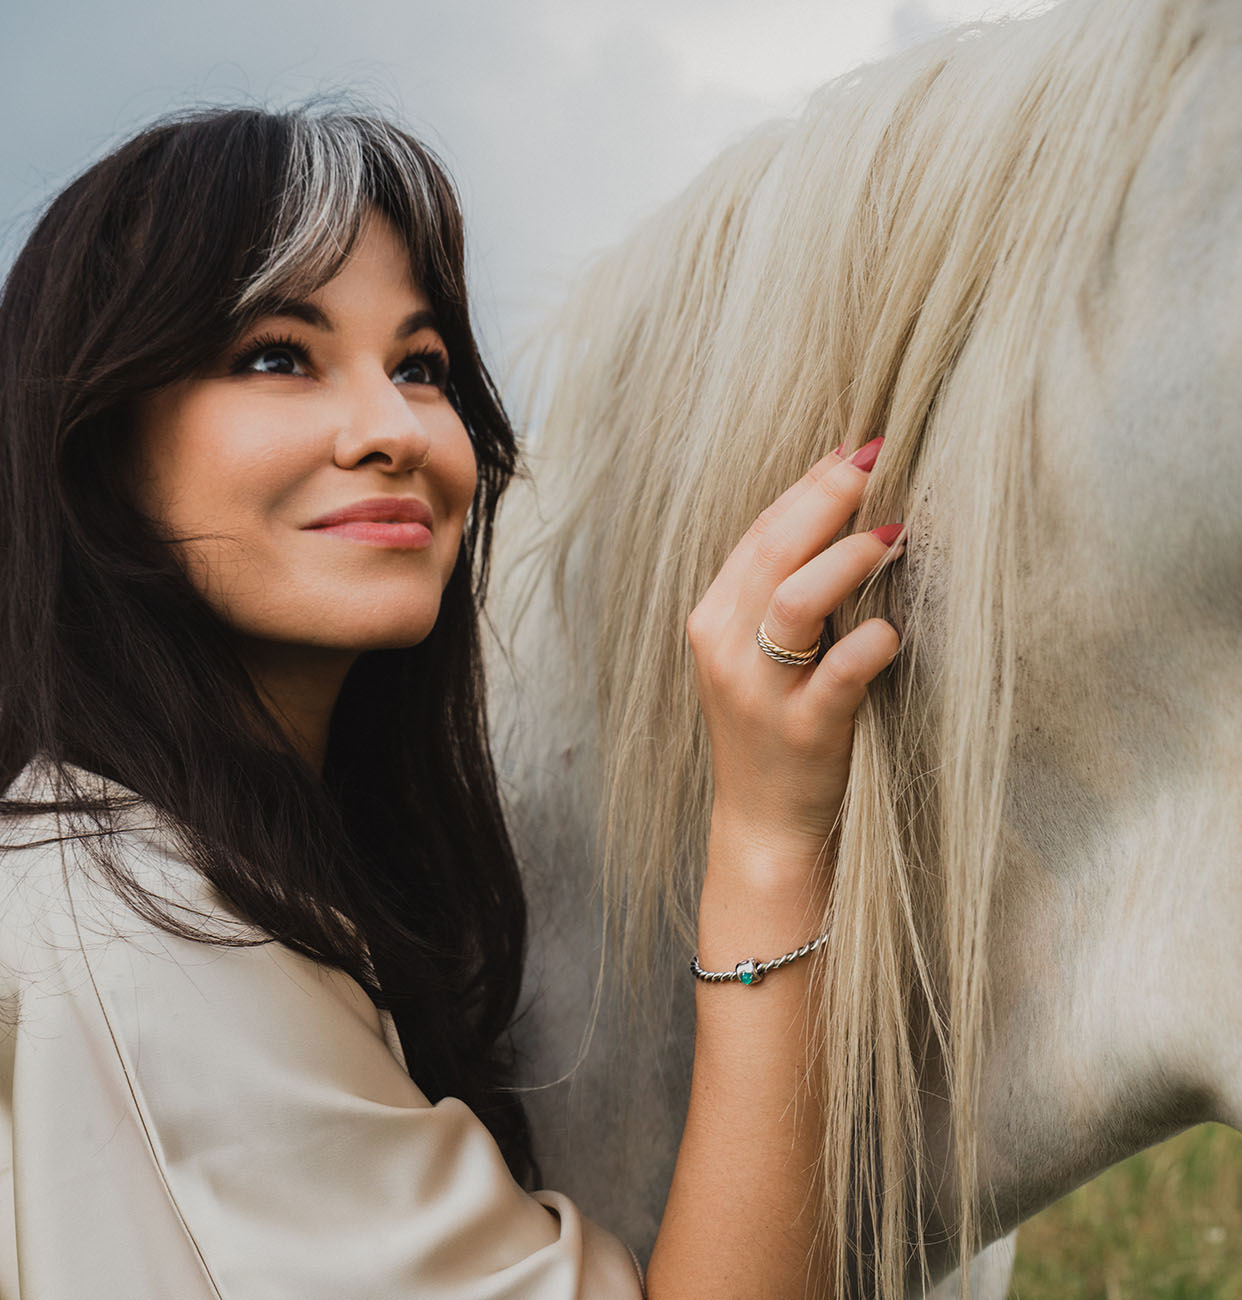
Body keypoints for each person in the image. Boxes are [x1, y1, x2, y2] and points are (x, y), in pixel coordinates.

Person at [0, 103, 904, 1298]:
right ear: (99, 446)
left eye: (420, 367)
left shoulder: (177, 872)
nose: (394, 431)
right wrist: (769, 839)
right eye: (280, 354)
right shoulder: (146, 927)